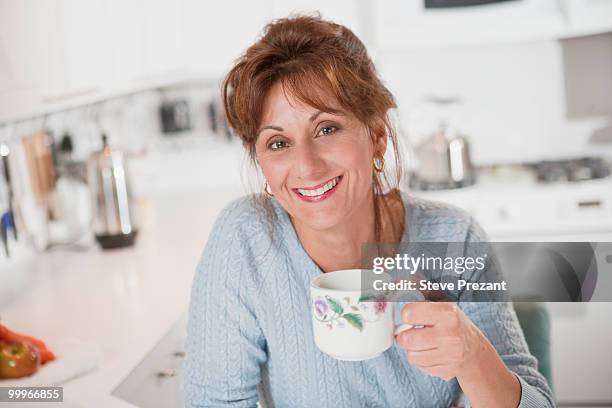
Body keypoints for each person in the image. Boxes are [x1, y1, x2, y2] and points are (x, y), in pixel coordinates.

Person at [184, 15, 554, 408]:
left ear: (377, 136)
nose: (307, 166)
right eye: (278, 143)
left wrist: (473, 355)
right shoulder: (246, 240)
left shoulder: (454, 238)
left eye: (326, 129)